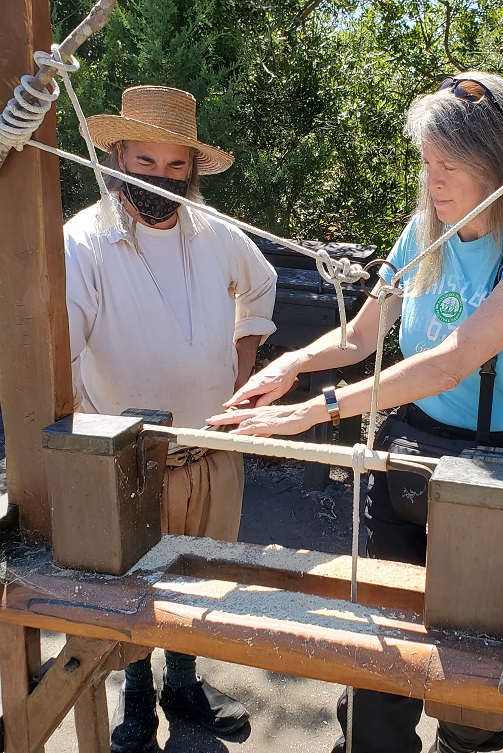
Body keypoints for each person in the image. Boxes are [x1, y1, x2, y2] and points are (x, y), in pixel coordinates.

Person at [206, 71, 503, 753]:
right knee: (381, 631)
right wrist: (287, 365)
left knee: (473, 654)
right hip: (407, 451)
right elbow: (361, 336)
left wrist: (317, 410)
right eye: (426, 162)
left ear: (501, 164)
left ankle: (461, 742)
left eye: (451, 165)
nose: (433, 180)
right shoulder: (424, 231)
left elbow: (450, 360)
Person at [64, 85, 277, 753]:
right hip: (125, 464)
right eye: (144, 160)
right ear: (116, 155)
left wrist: (244, 367)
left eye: (174, 165)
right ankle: (135, 695)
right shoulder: (82, 243)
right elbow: (60, 356)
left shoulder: (217, 234)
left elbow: (262, 285)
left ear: (192, 168)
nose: (159, 177)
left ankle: (184, 682)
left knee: (197, 580)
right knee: (129, 586)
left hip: (211, 451)